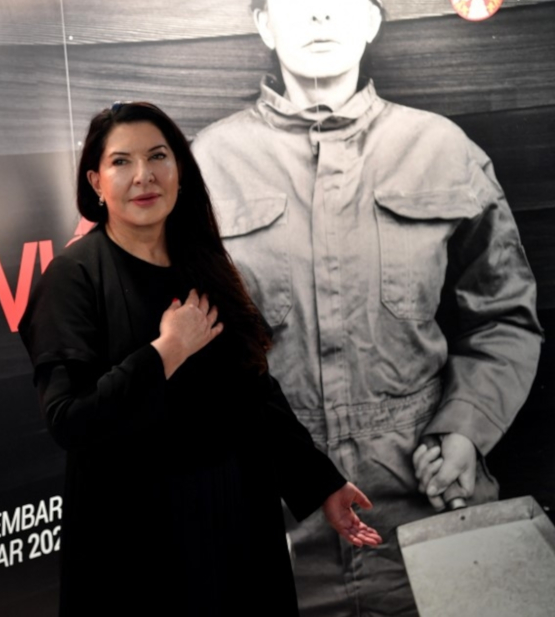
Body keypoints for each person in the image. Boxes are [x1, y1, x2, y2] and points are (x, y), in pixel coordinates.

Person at [191, 0, 544, 615]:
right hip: (275, 537)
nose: (319, 10)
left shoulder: (444, 151)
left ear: (373, 17)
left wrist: (466, 428)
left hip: (431, 519)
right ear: (263, 22)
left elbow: (504, 318)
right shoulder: (203, 169)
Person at [19, 101, 382, 615]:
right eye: (121, 161)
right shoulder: (72, 276)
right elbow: (69, 419)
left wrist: (323, 484)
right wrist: (166, 352)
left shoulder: (204, 262)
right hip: (138, 543)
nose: (143, 176)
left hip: (237, 522)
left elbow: (254, 391)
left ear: (180, 170)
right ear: (95, 182)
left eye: (157, 156)